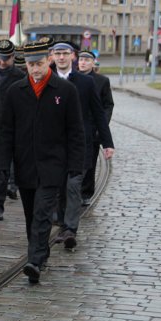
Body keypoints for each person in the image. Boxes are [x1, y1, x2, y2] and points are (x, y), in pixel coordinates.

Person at [0, 37, 85, 284]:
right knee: (30, 216)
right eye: (30, 65)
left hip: (52, 165)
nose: (35, 69)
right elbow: (6, 132)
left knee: (43, 213)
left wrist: (75, 166)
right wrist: (3, 164)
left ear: (48, 60)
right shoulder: (16, 91)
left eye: (38, 63)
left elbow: (75, 131)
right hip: (25, 165)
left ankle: (34, 261)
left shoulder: (65, 91)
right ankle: (40, 253)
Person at [50, 41, 114, 249]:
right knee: (59, 187)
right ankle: (61, 222)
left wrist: (107, 142)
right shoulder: (46, 79)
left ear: (73, 56)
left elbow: (98, 113)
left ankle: (70, 229)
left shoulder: (86, 83)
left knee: (73, 185)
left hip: (81, 143)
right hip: (55, 144)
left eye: (65, 53)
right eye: (57, 54)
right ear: (51, 56)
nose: (61, 57)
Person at [71, 50, 114, 206]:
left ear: (93, 63)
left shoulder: (102, 81)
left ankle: (86, 192)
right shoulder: (71, 78)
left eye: (86, 60)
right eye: (81, 59)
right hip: (76, 126)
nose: (83, 62)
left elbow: (108, 105)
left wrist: (102, 125)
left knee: (90, 162)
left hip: (93, 127)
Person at [0, 39, 25, 216]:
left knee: (2, 168)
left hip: (8, 127)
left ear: (13, 57)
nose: (3, 62)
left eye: (7, 58)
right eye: (0, 58)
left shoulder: (19, 76)